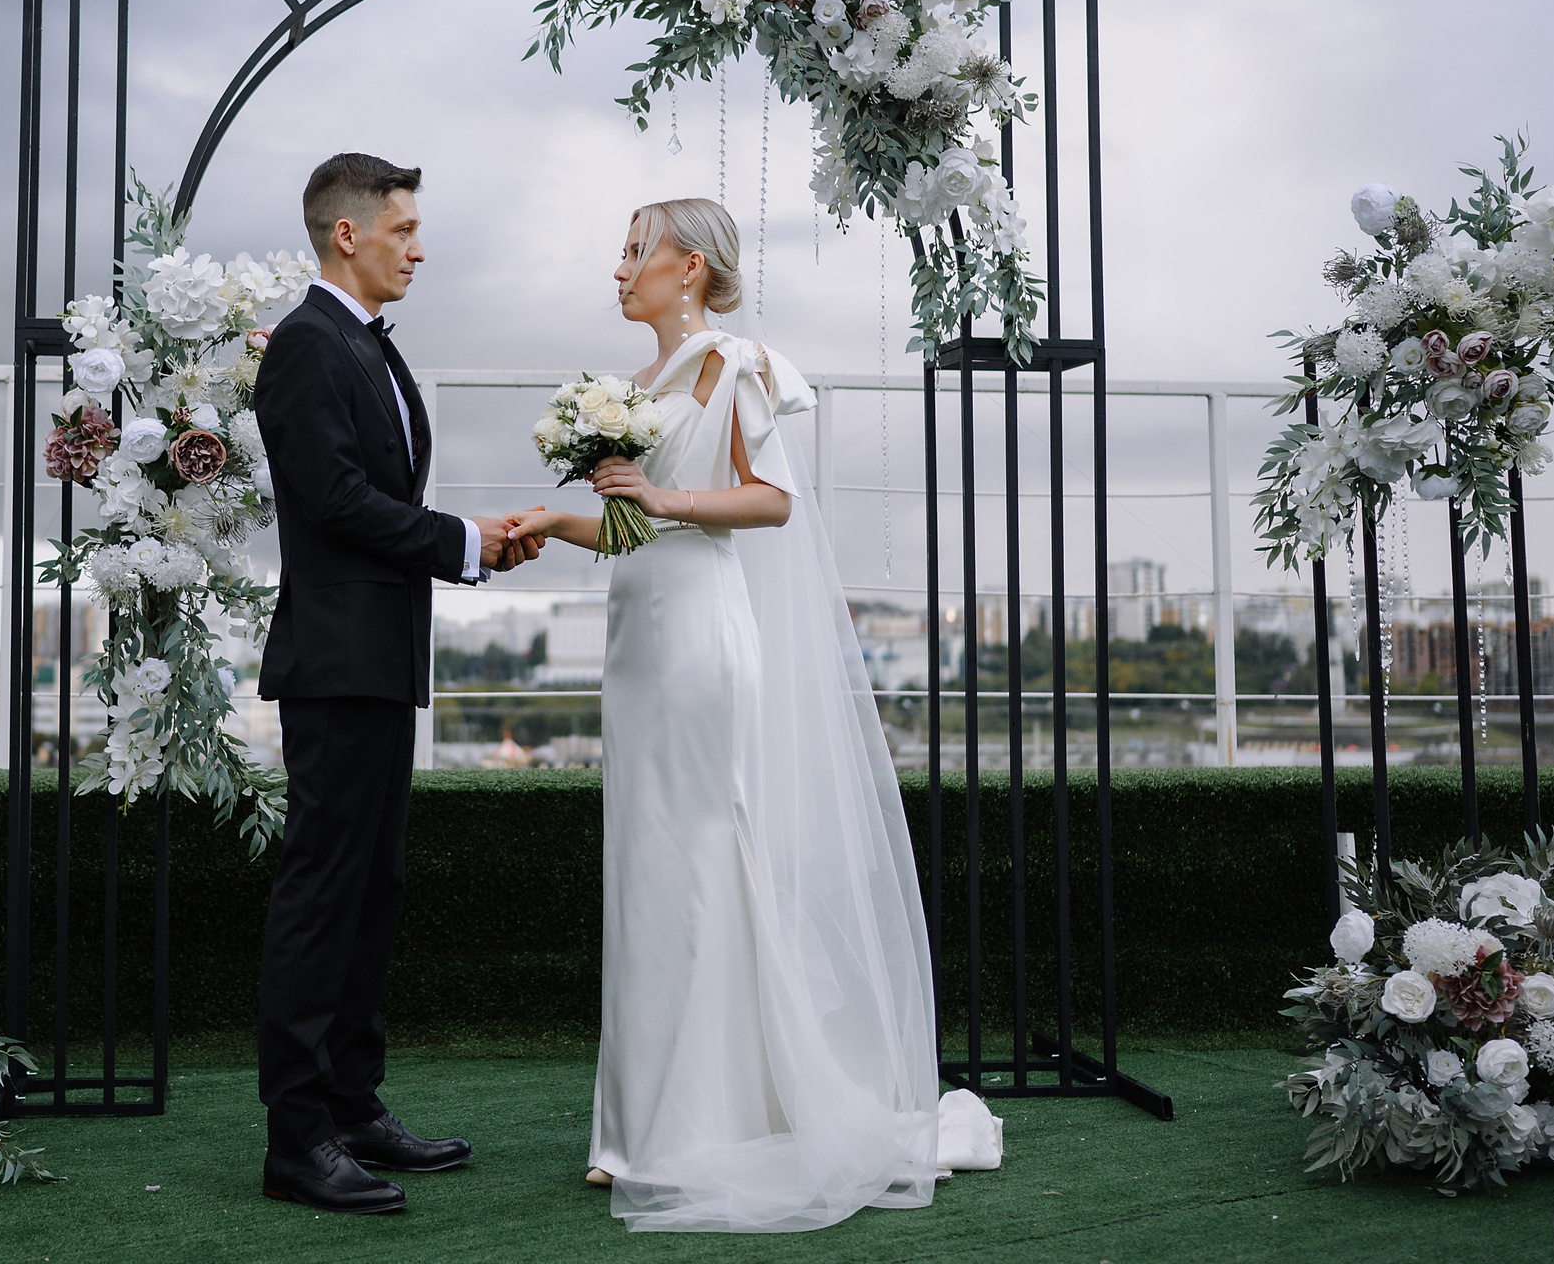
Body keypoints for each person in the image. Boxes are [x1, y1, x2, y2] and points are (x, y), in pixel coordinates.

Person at [509, 197, 1000, 1234]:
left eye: (633, 251)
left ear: (688, 266)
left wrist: (662, 499)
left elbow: (767, 499)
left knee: (696, 858)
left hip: (698, 637)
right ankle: (636, 1128)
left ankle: (696, 1127)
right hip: (639, 637)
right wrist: (556, 522)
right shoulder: (637, 387)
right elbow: (634, 530)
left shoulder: (734, 364)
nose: (618, 269)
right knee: (646, 866)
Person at [251, 153, 542, 1215]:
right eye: (404, 230)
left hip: (377, 659)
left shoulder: (364, 344)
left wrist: (468, 540)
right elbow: (332, 500)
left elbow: (375, 495)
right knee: (323, 894)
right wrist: (463, 540)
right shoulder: (305, 345)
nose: (419, 249)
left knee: (372, 889)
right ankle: (297, 1140)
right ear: (348, 234)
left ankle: (352, 1106)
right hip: (334, 664)